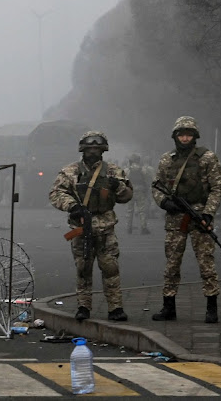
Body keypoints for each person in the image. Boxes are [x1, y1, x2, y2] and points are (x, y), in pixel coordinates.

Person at [49, 131, 133, 322]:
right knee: (83, 269)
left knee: (110, 268)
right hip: (81, 227)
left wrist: (117, 186)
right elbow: (55, 193)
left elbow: (126, 196)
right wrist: (73, 206)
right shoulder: (70, 171)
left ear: (103, 149)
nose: (93, 152)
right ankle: (83, 307)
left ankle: (115, 308)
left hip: (106, 228)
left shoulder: (113, 171)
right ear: (83, 149)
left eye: (97, 148)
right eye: (89, 148)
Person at [151, 116, 221, 323]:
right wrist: (165, 203)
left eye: (188, 134)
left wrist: (208, 213)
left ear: (195, 136)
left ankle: (212, 307)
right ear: (175, 136)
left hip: (200, 216)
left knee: (206, 263)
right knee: (172, 264)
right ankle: (168, 306)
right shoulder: (168, 159)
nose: (184, 138)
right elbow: (156, 186)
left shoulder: (207, 158)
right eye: (181, 134)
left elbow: (218, 188)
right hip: (175, 219)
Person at [125, 153, 150, 235]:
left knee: (129, 211)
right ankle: (143, 227)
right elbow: (146, 181)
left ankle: (129, 228)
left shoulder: (127, 170)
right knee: (142, 210)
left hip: (130, 191)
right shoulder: (142, 169)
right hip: (140, 191)